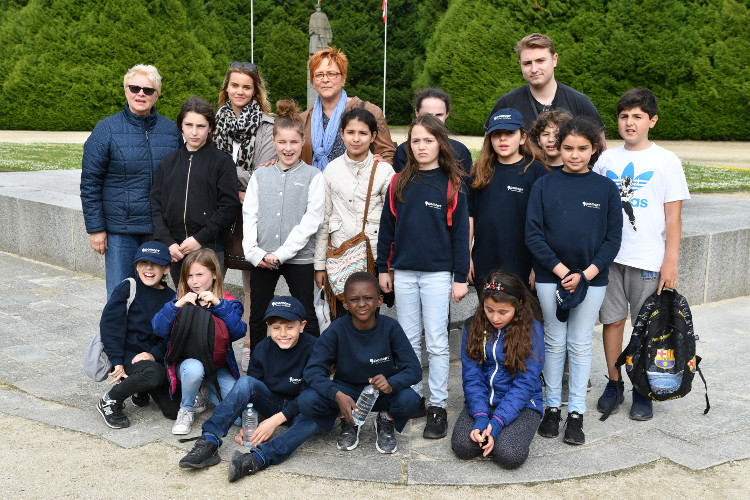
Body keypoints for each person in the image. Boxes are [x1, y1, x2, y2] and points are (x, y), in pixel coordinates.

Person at [593, 88, 690, 421]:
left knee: (647, 327)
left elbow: (673, 216)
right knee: (613, 321)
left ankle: (642, 388)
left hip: (648, 260)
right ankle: (614, 382)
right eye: (623, 116)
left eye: (637, 116)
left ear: (652, 120)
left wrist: (671, 261)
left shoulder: (666, 161)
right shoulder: (607, 160)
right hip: (609, 257)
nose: (629, 122)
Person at [525, 116, 622, 445]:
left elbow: (612, 240)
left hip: (592, 280)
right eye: (568, 148)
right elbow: (534, 235)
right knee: (554, 341)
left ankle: (576, 413)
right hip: (552, 278)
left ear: (594, 149)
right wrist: (564, 271)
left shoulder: (606, 189)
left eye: (582, 148)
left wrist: (586, 274)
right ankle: (553, 407)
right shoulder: (544, 185)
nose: (575, 154)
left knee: (579, 345)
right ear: (558, 148)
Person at [377, 114, 470, 440]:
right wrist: (383, 269)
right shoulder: (398, 182)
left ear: (440, 143)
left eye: (428, 140)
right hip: (403, 274)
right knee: (409, 341)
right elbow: (387, 230)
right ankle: (414, 397)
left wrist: (461, 277)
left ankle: (438, 406)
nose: (421, 146)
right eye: (415, 140)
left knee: (437, 342)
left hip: (436, 276)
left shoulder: (452, 185)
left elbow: (460, 236)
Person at [177, 296, 321, 483]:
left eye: (290, 327)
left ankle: (257, 459)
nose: (283, 333)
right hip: (274, 403)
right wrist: (248, 421)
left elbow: (311, 395)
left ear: (302, 326)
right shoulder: (262, 348)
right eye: (276, 327)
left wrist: (273, 422)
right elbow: (251, 391)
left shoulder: (315, 348)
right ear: (268, 326)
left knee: (317, 415)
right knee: (245, 382)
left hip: (302, 408)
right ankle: (209, 440)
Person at [81, 64, 181, 299]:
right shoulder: (106, 128)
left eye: (148, 90)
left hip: (158, 228)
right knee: (120, 294)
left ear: (157, 94)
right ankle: (114, 337)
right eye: (134, 88)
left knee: (153, 294)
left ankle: (148, 336)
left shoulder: (170, 130)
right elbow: (90, 182)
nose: (141, 94)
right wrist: (96, 228)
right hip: (120, 230)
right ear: (126, 90)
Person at [297, 272, 422, 454]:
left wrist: (391, 384)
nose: (362, 304)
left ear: (379, 301)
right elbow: (313, 370)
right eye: (355, 299)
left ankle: (385, 420)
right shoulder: (337, 329)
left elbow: (414, 369)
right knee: (307, 400)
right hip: (346, 392)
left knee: (411, 399)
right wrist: (336, 394)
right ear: (345, 304)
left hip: (381, 393)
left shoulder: (390, 327)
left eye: (368, 298)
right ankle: (348, 420)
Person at [242, 100, 324, 349]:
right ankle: (258, 367)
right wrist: (254, 253)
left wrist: (281, 254)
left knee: (306, 314)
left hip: (299, 258)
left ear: (302, 142)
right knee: (257, 316)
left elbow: (312, 220)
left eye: (294, 142)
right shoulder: (260, 175)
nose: (288, 148)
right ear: (273, 142)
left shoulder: (313, 176)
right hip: (263, 257)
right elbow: (250, 215)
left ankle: (313, 366)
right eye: (282, 142)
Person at [213, 62, 277, 372]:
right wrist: (233, 186)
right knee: (212, 281)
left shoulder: (268, 126)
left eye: (246, 86)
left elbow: (261, 178)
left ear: (256, 91)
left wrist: (222, 169)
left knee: (255, 289)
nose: (240, 91)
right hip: (216, 214)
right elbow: (203, 171)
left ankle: (251, 353)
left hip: (254, 216)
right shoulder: (211, 123)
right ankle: (214, 347)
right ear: (227, 88)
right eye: (235, 85)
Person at [451, 269, 544, 469]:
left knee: (509, 455)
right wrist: (481, 417)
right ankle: (491, 430)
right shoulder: (473, 326)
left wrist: (498, 422)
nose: (495, 317)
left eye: (503, 312)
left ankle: (506, 432)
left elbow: (525, 383)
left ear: (517, 307)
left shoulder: (532, 329)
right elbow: (472, 376)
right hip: (483, 401)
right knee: (462, 447)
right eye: (489, 309)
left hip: (522, 404)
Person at [151, 248, 246, 435]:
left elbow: (238, 331)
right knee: (194, 369)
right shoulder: (180, 298)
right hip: (187, 364)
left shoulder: (229, 302)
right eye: (189, 276)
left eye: (200, 275)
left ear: (214, 275)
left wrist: (218, 305)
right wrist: (178, 304)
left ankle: (203, 392)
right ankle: (186, 409)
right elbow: (158, 328)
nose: (194, 281)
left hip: (216, 366)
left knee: (240, 417)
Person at [314, 107, 395, 317]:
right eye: (350, 132)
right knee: (340, 318)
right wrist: (319, 265)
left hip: (374, 257)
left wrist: (389, 265)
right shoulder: (331, 170)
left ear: (373, 136)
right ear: (341, 134)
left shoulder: (384, 171)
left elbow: (394, 220)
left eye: (363, 133)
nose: (356, 139)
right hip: (339, 257)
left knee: (369, 318)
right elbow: (324, 220)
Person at [150, 96, 241, 285]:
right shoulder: (168, 162)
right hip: (176, 248)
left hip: (208, 246)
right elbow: (156, 205)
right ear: (181, 126)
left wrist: (199, 239)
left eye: (200, 126)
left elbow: (229, 207)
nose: (194, 132)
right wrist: (168, 241)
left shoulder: (222, 162)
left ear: (210, 127)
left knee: (207, 303)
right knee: (181, 302)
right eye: (188, 125)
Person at [96, 241, 180, 429]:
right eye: (143, 263)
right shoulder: (128, 287)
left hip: (151, 359)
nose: (149, 268)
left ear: (166, 268)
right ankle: (109, 400)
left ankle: (142, 388)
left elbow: (171, 337)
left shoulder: (171, 298)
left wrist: (153, 354)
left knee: (174, 410)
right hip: (125, 356)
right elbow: (111, 327)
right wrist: (117, 361)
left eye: (156, 264)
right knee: (154, 373)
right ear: (136, 266)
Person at [468, 108, 548, 293]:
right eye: (497, 134)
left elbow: (545, 221)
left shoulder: (535, 171)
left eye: (510, 133)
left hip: (523, 262)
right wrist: (467, 256)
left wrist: (538, 264)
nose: (502, 139)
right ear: (489, 139)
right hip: (485, 260)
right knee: (490, 316)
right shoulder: (479, 172)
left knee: (520, 318)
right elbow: (469, 217)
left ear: (522, 137)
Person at [484, 34, 604, 134]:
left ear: (554, 59)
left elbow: (600, 153)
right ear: (520, 64)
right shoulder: (506, 104)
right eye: (527, 63)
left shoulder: (580, 102)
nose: (534, 69)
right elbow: (488, 152)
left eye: (540, 61)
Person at [300, 46, 395, 170]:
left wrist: (381, 167)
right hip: (315, 186)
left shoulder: (370, 111)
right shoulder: (302, 120)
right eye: (318, 75)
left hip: (359, 186)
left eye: (331, 74)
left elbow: (387, 154)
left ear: (343, 78)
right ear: (313, 81)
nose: (325, 79)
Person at [392, 88, 473, 174]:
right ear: (417, 113)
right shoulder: (403, 152)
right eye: (427, 115)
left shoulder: (460, 151)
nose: (433, 120)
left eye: (439, 115)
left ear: (447, 114)